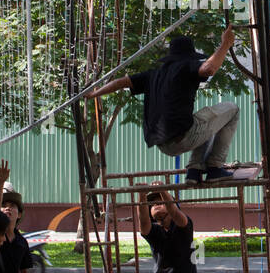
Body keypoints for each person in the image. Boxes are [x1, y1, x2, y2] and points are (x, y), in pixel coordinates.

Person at [89, 28, 250, 184]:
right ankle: (215, 167)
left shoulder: (153, 74)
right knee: (232, 109)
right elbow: (209, 68)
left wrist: (93, 93)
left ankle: (194, 171)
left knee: (204, 119)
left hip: (164, 145)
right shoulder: (187, 66)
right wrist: (225, 45)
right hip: (184, 137)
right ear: (190, 57)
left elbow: (120, 82)